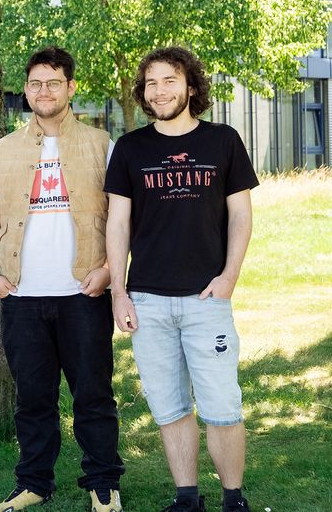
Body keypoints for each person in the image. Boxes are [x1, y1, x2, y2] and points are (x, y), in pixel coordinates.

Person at [105, 47, 257, 512]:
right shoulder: (131, 148)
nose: (159, 90)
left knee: (222, 407)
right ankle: (187, 498)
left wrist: (230, 275)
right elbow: (117, 223)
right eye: (151, 83)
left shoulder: (224, 141)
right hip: (148, 300)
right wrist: (119, 292)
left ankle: (233, 498)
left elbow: (241, 215)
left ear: (191, 86)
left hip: (206, 297)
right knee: (170, 409)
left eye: (169, 80)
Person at [0, 46, 125, 512]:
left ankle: (104, 483)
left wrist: (107, 272)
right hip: (22, 295)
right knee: (33, 399)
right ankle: (34, 482)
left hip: (83, 291)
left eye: (54, 82)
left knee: (94, 395)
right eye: (36, 83)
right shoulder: (6, 149)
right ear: (26, 90)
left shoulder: (103, 145)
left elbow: (124, 219)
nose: (44, 91)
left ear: (71, 87)